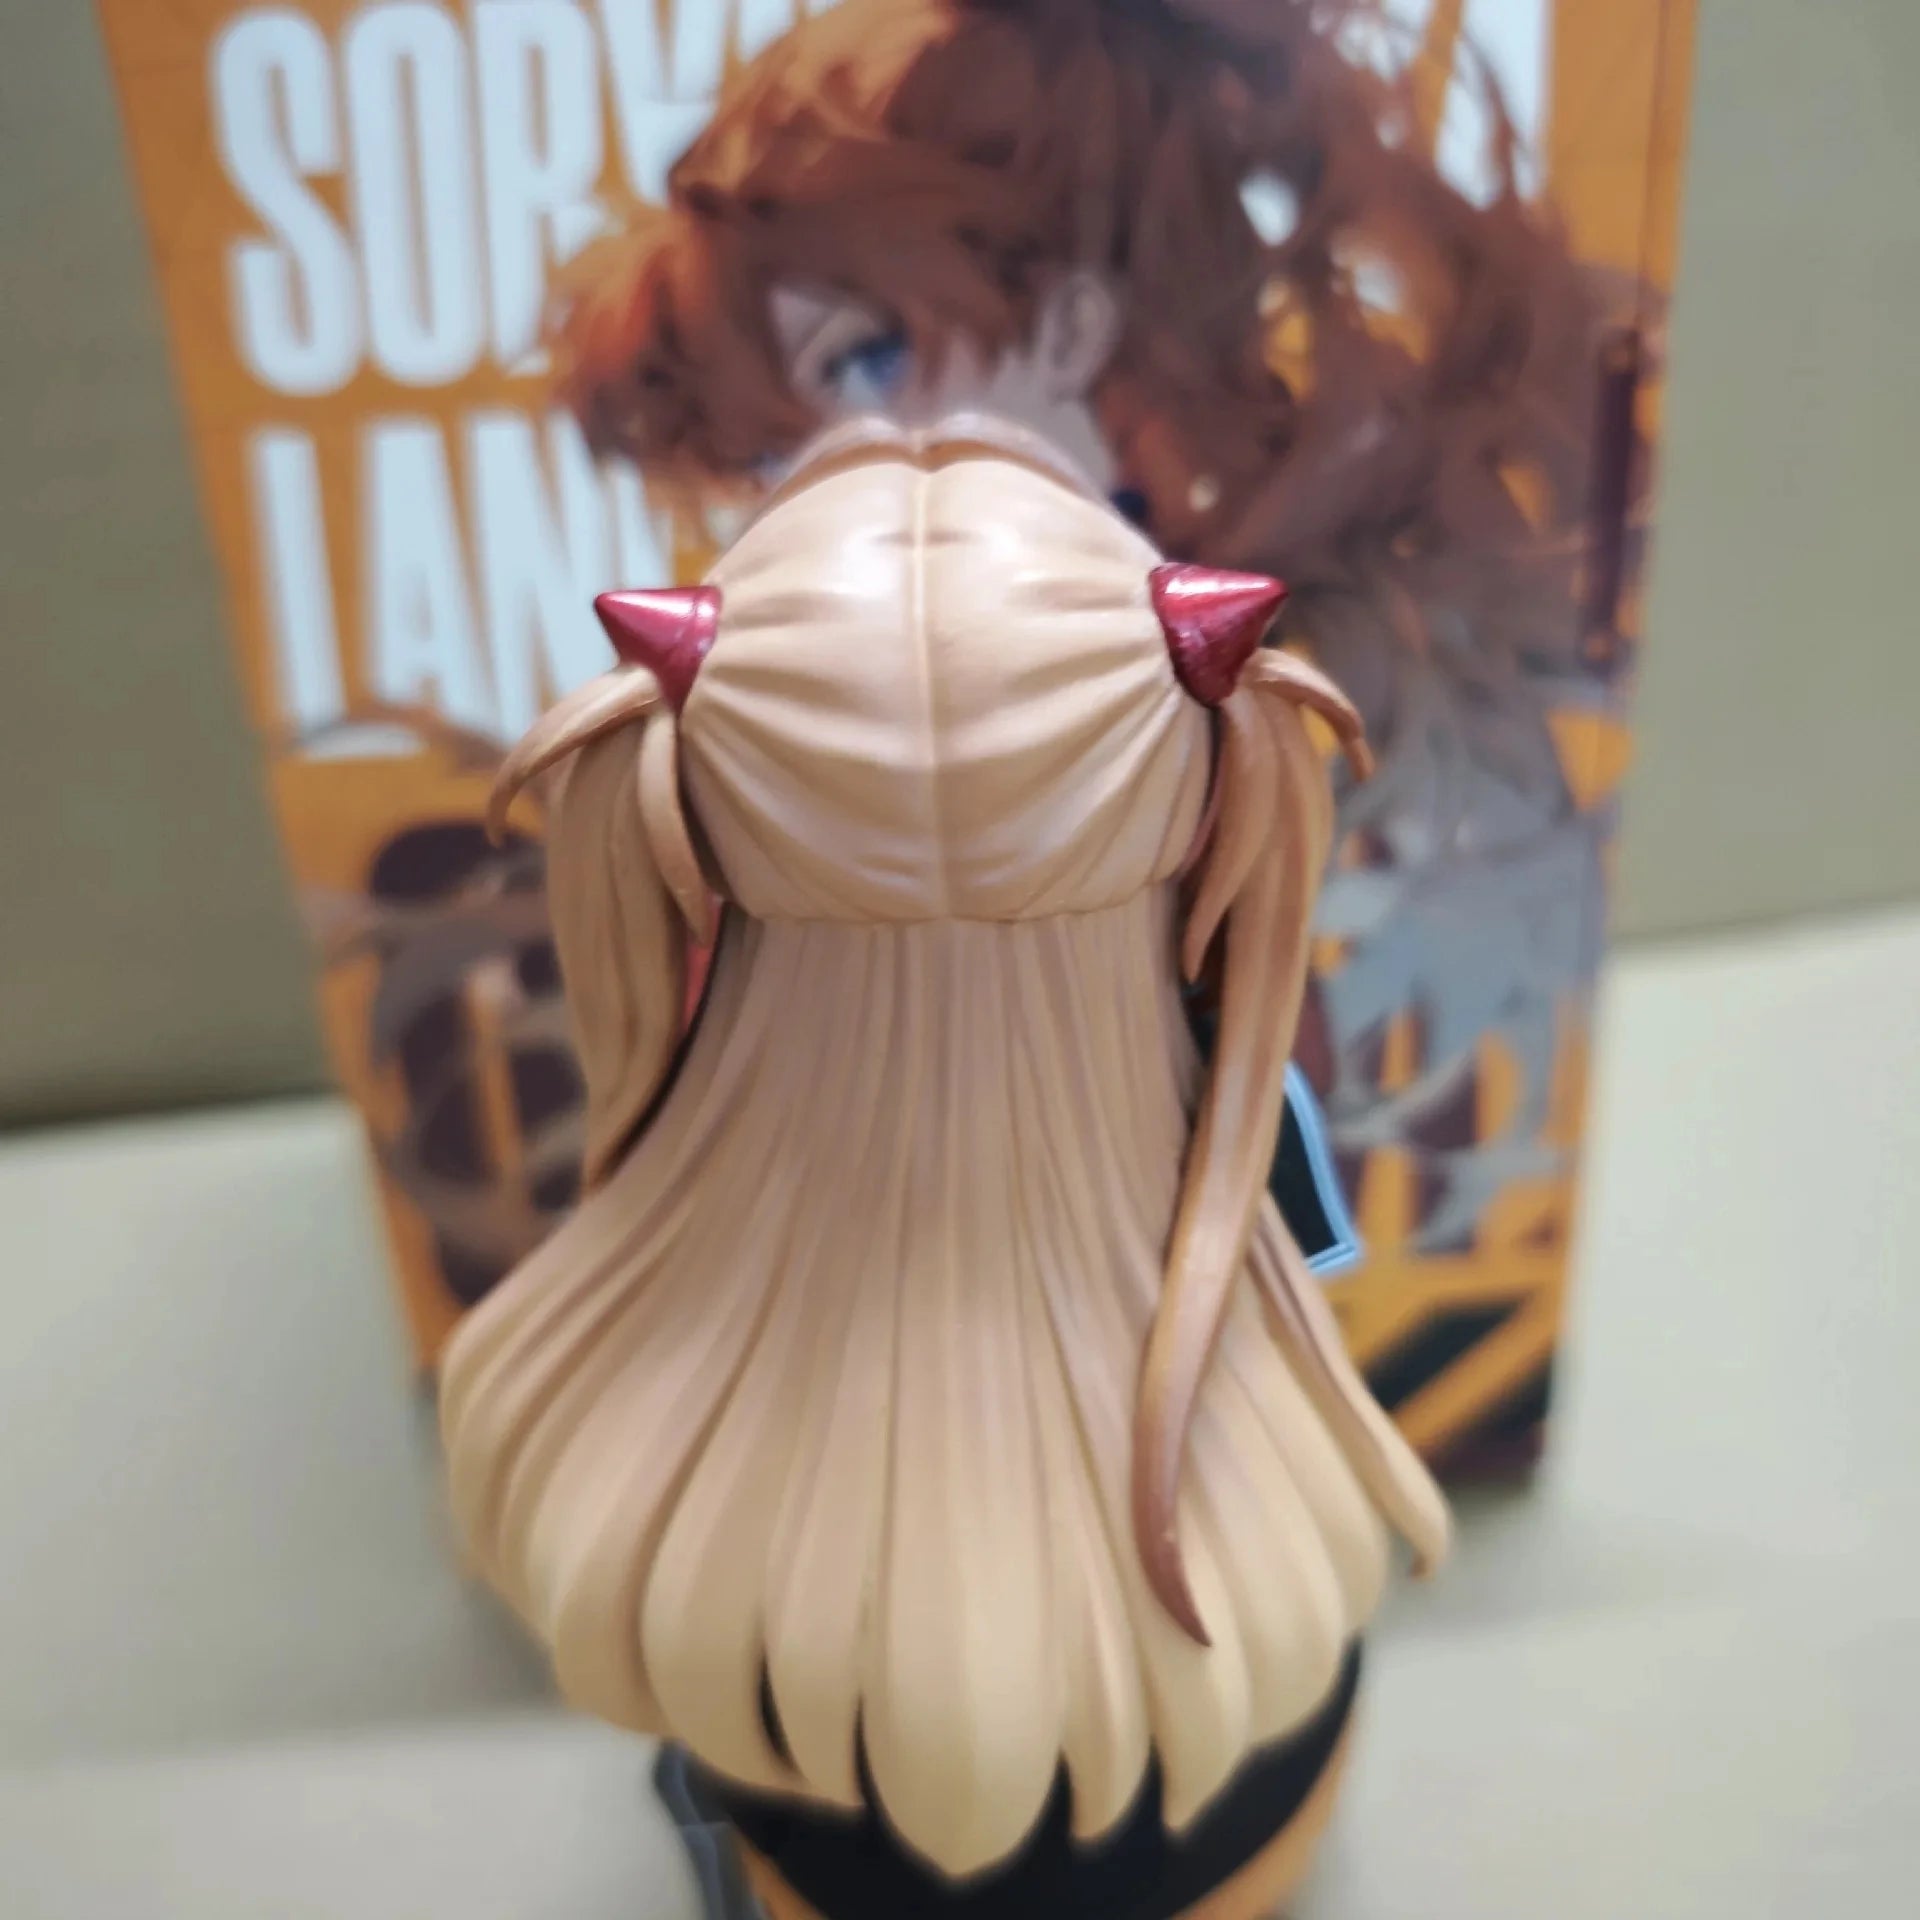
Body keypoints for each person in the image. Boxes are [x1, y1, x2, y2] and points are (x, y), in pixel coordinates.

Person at [439, 421, 1447, 1915]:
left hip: (821, 1795)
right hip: (1239, 1728)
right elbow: (1314, 1260)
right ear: (1204, 803)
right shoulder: (1253, 1172)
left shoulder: (610, 1434)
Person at [551, 0, 1640, 1246]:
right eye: (773, 443)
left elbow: (1263, 1039)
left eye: (867, 364)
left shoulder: (1210, 647)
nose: (821, 464)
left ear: (1071, 328)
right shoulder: (844, 663)